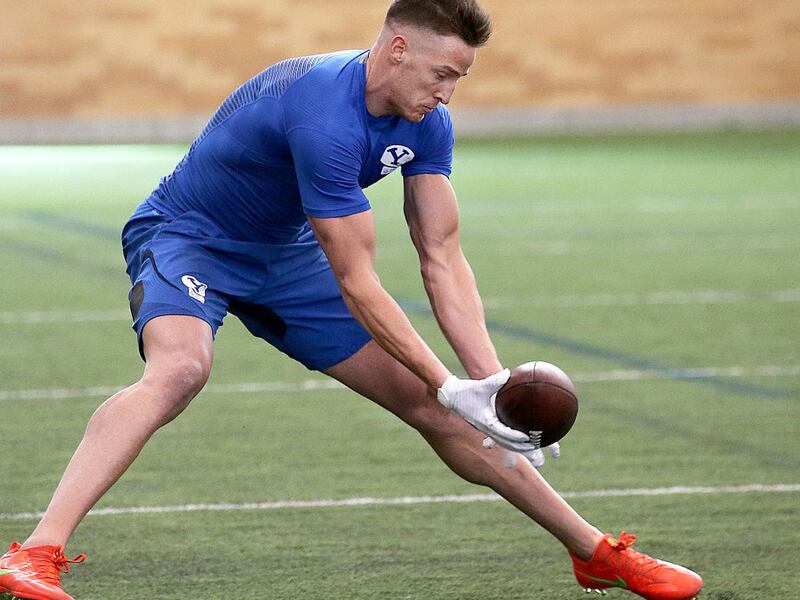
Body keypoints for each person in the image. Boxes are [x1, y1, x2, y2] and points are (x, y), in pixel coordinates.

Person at [0, 1, 703, 599]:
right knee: (180, 368)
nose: (449, 92)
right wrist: (446, 378)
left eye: (459, 77)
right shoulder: (324, 115)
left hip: (285, 251)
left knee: (439, 408)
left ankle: (592, 553)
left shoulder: (426, 121)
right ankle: (36, 551)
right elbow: (359, 282)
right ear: (397, 50)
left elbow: (442, 255)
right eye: (442, 73)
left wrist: (489, 384)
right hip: (192, 239)